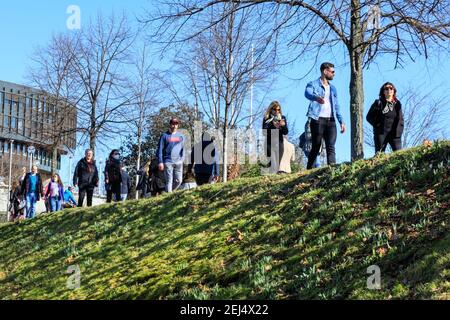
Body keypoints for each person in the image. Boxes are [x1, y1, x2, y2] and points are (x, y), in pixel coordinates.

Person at [304, 62, 346, 169]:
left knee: (331, 146)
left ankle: (332, 170)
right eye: (332, 72)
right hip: (317, 119)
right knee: (316, 146)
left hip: (331, 121)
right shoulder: (313, 84)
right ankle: (309, 171)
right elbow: (307, 93)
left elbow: (336, 106)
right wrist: (316, 98)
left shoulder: (333, 89)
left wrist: (341, 121)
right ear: (325, 71)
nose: (334, 74)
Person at [366, 82, 404, 153]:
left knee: (399, 155)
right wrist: (377, 125)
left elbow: (401, 119)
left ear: (393, 91)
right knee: (379, 156)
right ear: (383, 92)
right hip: (381, 134)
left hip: (395, 134)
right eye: (386, 89)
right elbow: (369, 117)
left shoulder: (397, 104)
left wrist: (400, 131)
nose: (389, 90)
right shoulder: (378, 103)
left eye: (391, 88)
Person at [157, 118, 185, 193]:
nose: (174, 126)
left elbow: (183, 149)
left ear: (178, 125)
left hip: (178, 161)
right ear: (170, 125)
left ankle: (167, 192)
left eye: (176, 124)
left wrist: (182, 159)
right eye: (173, 124)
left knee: (179, 181)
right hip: (168, 161)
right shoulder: (164, 136)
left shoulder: (181, 136)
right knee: (169, 180)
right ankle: (168, 195)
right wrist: (160, 162)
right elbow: (160, 149)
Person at [262, 101, 289, 174]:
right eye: (274, 109)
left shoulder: (282, 118)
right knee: (273, 164)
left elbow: (285, 132)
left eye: (278, 109)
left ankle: (273, 181)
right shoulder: (266, 118)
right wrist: (273, 126)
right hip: (269, 144)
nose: (277, 111)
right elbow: (264, 132)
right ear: (271, 109)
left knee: (277, 165)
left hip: (279, 143)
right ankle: (269, 179)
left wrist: (283, 126)